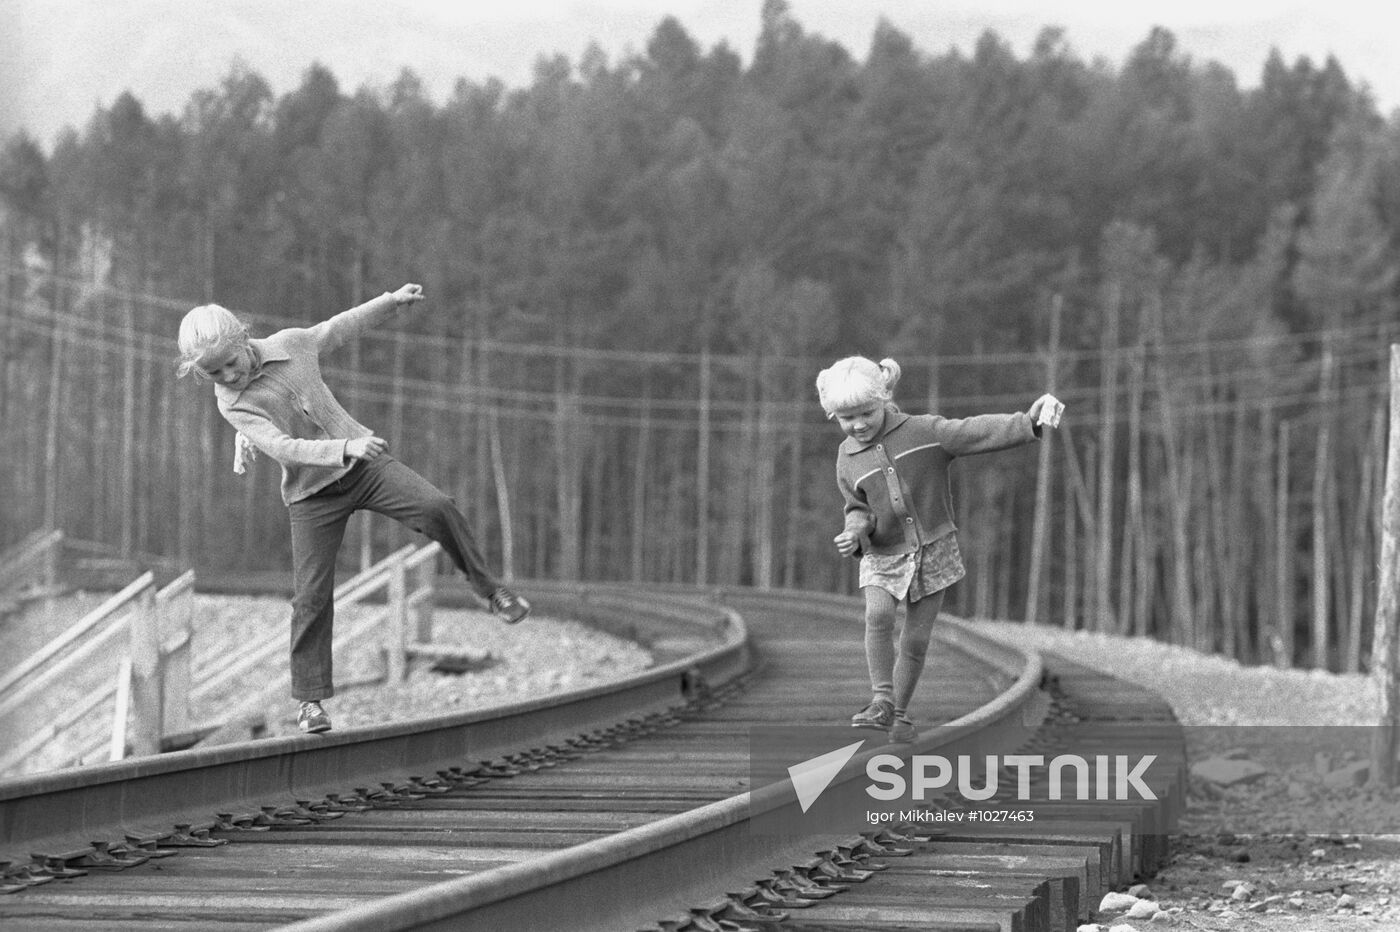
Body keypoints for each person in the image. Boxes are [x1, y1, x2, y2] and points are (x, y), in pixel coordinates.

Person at [176, 283, 530, 735]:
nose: (228, 377)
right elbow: (283, 447)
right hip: (312, 494)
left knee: (437, 506)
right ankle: (310, 702)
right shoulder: (233, 404)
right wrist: (346, 446)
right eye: (214, 374)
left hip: (365, 466)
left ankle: (489, 589)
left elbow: (339, 327)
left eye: (230, 364)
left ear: (245, 341)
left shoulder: (291, 345)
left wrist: (390, 303)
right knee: (311, 595)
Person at [815, 355, 1061, 744]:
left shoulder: (924, 432)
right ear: (835, 417)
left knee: (915, 640)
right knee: (877, 614)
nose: (858, 425)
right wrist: (854, 531)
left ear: (883, 399)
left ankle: (898, 713)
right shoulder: (846, 458)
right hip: (883, 551)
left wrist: (1026, 423)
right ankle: (881, 700)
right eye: (847, 419)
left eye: (865, 413)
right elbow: (857, 508)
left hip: (935, 548)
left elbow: (974, 432)